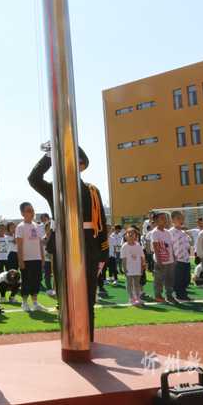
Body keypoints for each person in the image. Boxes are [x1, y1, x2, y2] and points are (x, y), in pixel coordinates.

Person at [28, 143, 108, 341]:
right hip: (63, 245)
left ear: (81, 166)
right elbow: (33, 178)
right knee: (64, 295)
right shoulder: (55, 189)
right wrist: (49, 156)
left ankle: (88, 339)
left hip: (88, 247)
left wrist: (103, 254)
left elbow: (100, 223)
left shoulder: (92, 190)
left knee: (88, 295)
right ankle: (68, 338)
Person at [16, 202, 47, 311]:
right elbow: (19, 244)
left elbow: (40, 243)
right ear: (23, 213)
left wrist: (42, 257)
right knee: (26, 280)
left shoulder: (36, 226)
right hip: (26, 259)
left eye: (33, 210)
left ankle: (35, 303)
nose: (32, 213)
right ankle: (24, 303)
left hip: (37, 258)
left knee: (37, 280)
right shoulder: (21, 227)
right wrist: (21, 260)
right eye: (29, 211)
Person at [150, 212, 177, 304]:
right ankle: (158, 296)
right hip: (161, 260)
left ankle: (169, 295)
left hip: (170, 260)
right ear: (156, 222)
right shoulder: (155, 232)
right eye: (162, 218)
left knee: (170, 279)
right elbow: (155, 246)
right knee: (159, 279)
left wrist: (174, 257)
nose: (165, 220)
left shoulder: (168, 232)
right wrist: (158, 260)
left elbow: (171, 245)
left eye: (165, 218)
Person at [169, 212, 193, 301]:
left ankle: (182, 293)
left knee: (186, 279)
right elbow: (170, 245)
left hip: (186, 259)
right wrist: (173, 257)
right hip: (177, 260)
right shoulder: (171, 232)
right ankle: (180, 294)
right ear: (172, 221)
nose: (181, 220)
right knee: (177, 279)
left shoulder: (183, 232)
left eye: (182, 218)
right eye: (178, 218)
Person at [120, 228, 145, 305]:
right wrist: (124, 268)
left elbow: (142, 257)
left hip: (137, 268)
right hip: (129, 268)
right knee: (129, 284)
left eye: (133, 233)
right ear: (125, 236)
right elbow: (124, 259)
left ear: (136, 236)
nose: (131, 234)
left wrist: (142, 267)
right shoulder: (124, 247)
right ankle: (131, 298)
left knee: (136, 283)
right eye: (129, 233)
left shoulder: (138, 246)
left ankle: (137, 297)